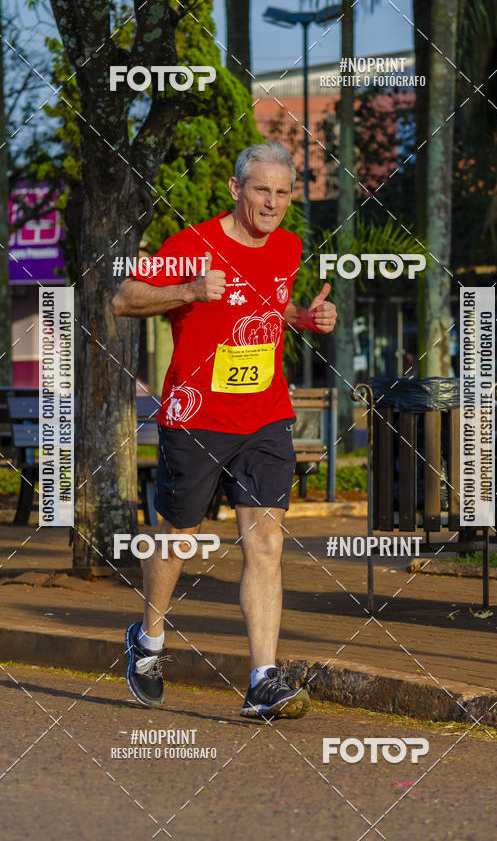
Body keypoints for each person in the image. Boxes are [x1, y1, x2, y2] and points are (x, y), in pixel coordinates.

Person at [112, 142, 337, 718]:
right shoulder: (192, 247)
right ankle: (149, 640)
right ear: (237, 190)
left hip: (265, 415)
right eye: (262, 190)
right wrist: (188, 291)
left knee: (265, 541)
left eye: (283, 192)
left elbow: (271, 301)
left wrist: (304, 319)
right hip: (196, 416)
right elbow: (125, 297)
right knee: (179, 534)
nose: (273, 203)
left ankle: (263, 679)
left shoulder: (288, 248)